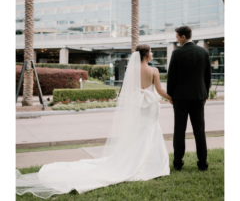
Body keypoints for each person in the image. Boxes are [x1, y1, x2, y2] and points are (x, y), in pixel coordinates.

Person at [15, 44, 172, 199]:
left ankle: (135, 159)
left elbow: (132, 89)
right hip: (150, 106)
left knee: (139, 131)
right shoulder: (154, 70)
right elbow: (158, 90)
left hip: (140, 106)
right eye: (151, 52)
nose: (152, 54)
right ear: (146, 55)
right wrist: (171, 99)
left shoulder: (133, 71)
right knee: (150, 130)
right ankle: (150, 165)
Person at [167, 26, 211, 171]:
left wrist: (170, 95)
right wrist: (205, 94)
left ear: (183, 37)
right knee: (199, 130)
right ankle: (203, 164)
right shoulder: (204, 52)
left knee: (179, 130)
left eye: (177, 37)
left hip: (180, 98)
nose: (177, 39)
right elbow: (207, 76)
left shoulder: (176, 53)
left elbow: (171, 77)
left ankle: (178, 163)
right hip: (199, 97)